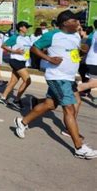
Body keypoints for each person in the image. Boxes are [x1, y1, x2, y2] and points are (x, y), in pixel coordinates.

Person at [14, 10, 97, 159]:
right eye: (75, 21)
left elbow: (74, 53)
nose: (78, 23)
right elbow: (34, 48)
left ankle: (22, 121)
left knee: (50, 105)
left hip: (69, 77)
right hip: (57, 77)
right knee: (69, 109)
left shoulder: (75, 35)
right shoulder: (52, 35)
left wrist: (81, 53)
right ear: (65, 23)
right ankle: (79, 147)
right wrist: (50, 59)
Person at [0, 21, 33, 109]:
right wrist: (15, 51)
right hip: (16, 60)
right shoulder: (15, 37)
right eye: (25, 27)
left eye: (27, 27)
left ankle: (3, 97)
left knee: (13, 81)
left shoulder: (28, 38)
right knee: (27, 80)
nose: (27, 28)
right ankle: (16, 100)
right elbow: (3, 46)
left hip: (22, 61)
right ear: (20, 28)